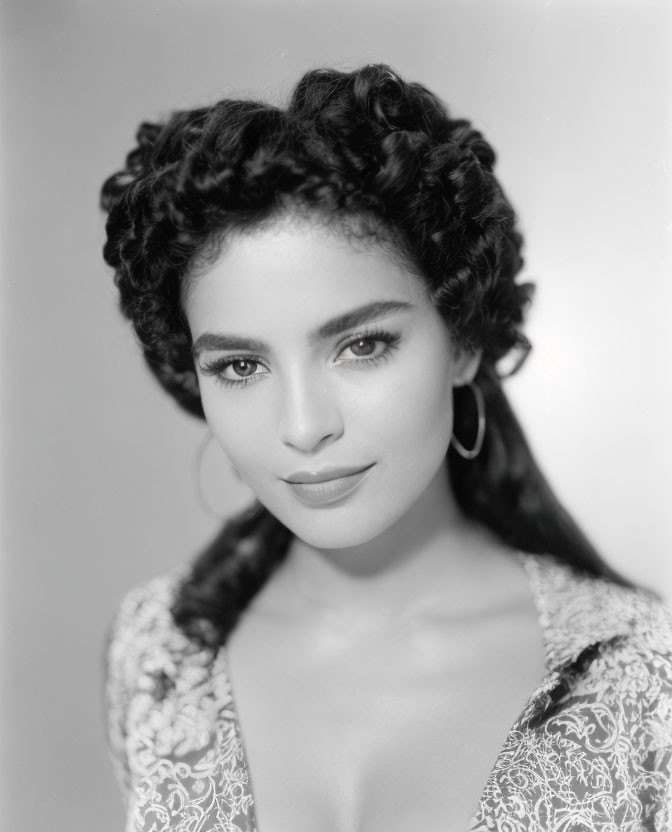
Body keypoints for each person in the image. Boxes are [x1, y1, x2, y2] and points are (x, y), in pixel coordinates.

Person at [101, 64, 672, 832]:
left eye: (362, 345)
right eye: (241, 365)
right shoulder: (157, 654)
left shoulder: (643, 677)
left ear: (463, 338)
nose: (304, 426)